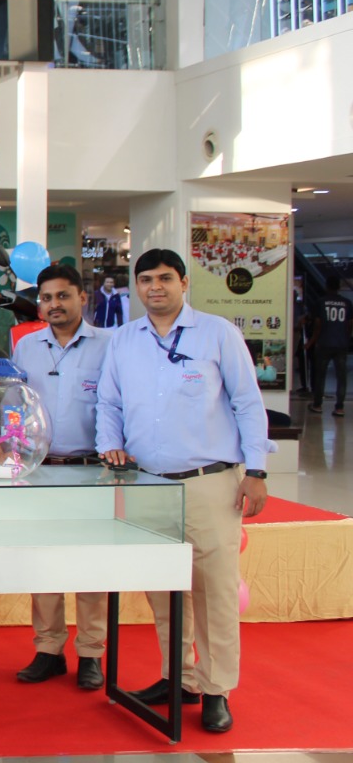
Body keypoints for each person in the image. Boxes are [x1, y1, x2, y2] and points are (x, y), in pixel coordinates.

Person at [97, 248, 272, 734]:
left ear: (184, 283)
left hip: (209, 482)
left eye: (165, 278)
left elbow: (247, 402)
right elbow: (109, 402)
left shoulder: (218, 334)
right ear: (136, 286)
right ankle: (181, 678)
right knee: (164, 591)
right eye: (146, 279)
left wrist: (257, 470)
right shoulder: (124, 339)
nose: (155, 287)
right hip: (148, 484)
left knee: (214, 590)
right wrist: (110, 444)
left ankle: (217, 690)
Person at [8, 264, 110, 690]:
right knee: (44, 562)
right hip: (40, 470)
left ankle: (91, 653)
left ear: (82, 298)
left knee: (90, 565)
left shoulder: (109, 345)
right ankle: (48, 649)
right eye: (46, 298)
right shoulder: (26, 347)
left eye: (63, 296)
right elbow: (15, 404)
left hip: (92, 470)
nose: (54, 305)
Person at [307, 274, 349, 416]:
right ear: (339, 287)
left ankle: (317, 404)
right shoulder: (347, 303)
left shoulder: (321, 302)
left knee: (320, 375)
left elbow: (318, 324)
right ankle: (339, 407)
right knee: (341, 377)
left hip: (324, 343)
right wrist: (346, 338)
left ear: (327, 286)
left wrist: (312, 341)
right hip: (341, 344)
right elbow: (350, 324)